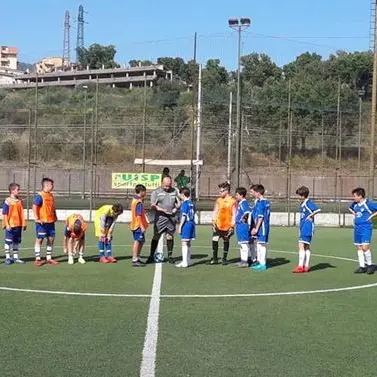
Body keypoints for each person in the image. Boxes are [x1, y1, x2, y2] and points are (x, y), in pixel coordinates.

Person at [147, 175, 180, 264]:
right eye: (165, 186)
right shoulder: (156, 192)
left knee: (170, 236)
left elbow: (178, 203)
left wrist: (175, 209)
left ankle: (170, 256)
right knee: (156, 236)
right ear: (162, 183)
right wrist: (162, 210)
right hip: (160, 218)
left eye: (169, 186)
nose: (167, 188)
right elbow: (153, 206)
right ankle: (151, 256)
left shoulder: (175, 191)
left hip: (171, 218)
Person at [349, 187, 377, 275]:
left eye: (355, 196)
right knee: (359, 247)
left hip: (366, 227)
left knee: (365, 247)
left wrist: (371, 216)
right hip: (357, 228)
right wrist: (355, 215)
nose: (354, 198)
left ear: (360, 196)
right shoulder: (355, 204)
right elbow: (350, 208)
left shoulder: (368, 203)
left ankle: (370, 265)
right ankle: (362, 266)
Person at [293, 186, 321, 273]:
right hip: (303, 226)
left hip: (307, 227)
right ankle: (306, 266)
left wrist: (310, 216)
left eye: (299, 195)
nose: (298, 197)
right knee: (306, 246)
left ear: (303, 195)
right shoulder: (302, 204)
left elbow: (318, 209)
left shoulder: (308, 202)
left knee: (301, 245)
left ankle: (301, 266)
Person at [33, 177, 58, 267]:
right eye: (52, 184)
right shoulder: (40, 195)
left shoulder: (51, 196)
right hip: (42, 222)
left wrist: (55, 215)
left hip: (51, 222)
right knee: (40, 239)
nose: (53, 186)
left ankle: (48, 258)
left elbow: (52, 207)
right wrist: (37, 218)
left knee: (51, 239)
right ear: (46, 185)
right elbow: (34, 206)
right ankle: (38, 259)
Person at [210, 181, 236, 265]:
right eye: (219, 191)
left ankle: (224, 259)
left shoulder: (232, 201)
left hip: (227, 226)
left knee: (226, 240)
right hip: (218, 225)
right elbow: (215, 211)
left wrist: (232, 226)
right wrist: (213, 222)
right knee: (214, 240)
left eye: (221, 191)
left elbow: (234, 214)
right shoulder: (218, 200)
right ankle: (215, 258)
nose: (219, 193)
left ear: (226, 191)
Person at [2, 183, 27, 265]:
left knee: (16, 241)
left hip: (18, 225)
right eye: (17, 189)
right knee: (8, 241)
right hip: (11, 225)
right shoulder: (8, 201)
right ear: (12, 191)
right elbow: (5, 213)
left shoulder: (19, 201)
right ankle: (8, 257)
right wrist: (7, 224)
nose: (19, 191)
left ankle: (16, 257)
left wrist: (23, 223)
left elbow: (21, 213)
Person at [250, 184, 270, 271]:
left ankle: (263, 264)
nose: (253, 194)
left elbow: (261, 217)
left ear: (258, 193)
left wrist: (256, 228)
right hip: (260, 226)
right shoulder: (260, 202)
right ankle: (260, 262)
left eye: (254, 192)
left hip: (262, 227)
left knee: (262, 245)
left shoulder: (262, 203)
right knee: (259, 244)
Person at [176, 187, 196, 268]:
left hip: (186, 224)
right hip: (192, 223)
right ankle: (187, 260)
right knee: (188, 242)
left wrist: (180, 226)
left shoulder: (185, 203)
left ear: (183, 194)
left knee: (184, 242)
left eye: (180, 194)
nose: (180, 196)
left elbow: (184, 215)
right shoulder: (191, 203)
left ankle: (184, 262)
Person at [130, 184, 148, 267]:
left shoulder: (135, 200)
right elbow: (138, 215)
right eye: (144, 191)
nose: (145, 193)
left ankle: (137, 257)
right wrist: (141, 226)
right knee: (137, 241)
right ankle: (134, 259)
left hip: (136, 224)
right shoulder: (138, 202)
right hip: (137, 225)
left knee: (142, 241)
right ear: (141, 191)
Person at [235, 187, 251, 267]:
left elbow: (247, 212)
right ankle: (242, 260)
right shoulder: (240, 203)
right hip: (239, 225)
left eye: (237, 195)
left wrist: (243, 220)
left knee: (244, 244)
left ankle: (245, 262)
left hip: (242, 226)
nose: (236, 196)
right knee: (241, 244)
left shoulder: (244, 203)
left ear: (241, 195)